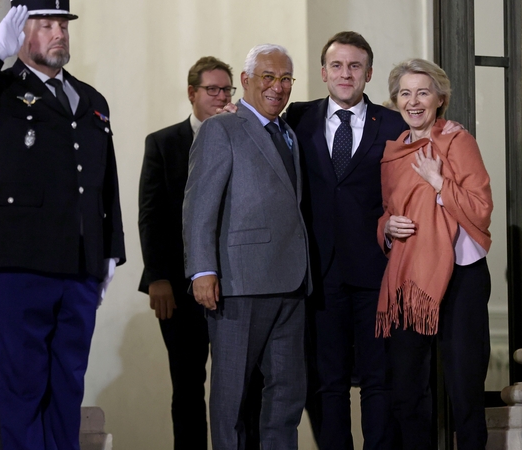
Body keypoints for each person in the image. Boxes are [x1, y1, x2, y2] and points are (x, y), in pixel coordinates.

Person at [0, 2, 125, 449]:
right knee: (21, 390)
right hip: (19, 265)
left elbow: (105, 180)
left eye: (63, 24)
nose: (59, 32)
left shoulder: (91, 99)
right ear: (21, 32)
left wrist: (111, 248)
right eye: (45, 24)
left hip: (79, 266)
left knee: (66, 388)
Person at [285, 31, 463, 449]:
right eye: (337, 65)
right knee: (327, 382)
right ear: (324, 71)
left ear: (368, 73)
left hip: (378, 270)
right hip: (319, 271)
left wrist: (447, 126)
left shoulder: (398, 124)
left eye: (354, 66)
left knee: (377, 382)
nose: (345, 74)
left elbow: (434, 142)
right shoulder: (297, 117)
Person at [183, 44, 310, 450]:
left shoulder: (289, 133)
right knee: (232, 398)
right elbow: (199, 205)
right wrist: (203, 270)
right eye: (268, 77)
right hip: (240, 283)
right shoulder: (221, 129)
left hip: (291, 285)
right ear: (245, 81)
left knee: (286, 396)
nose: (278, 87)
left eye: (286, 78)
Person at [377, 59, 492, 450]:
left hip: (461, 277)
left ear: (439, 99)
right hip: (411, 280)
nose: (413, 101)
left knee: (465, 391)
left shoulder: (458, 141)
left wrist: (439, 181)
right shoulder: (392, 154)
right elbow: (388, 213)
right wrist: (387, 230)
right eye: (405, 93)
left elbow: (481, 208)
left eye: (423, 92)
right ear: (395, 101)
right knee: (407, 391)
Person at [138, 56, 234, 450]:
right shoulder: (163, 143)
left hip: (233, 283)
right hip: (176, 286)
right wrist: (158, 277)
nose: (221, 96)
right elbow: (151, 215)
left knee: (236, 385)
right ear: (192, 93)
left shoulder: (242, 135)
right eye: (212, 89)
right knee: (188, 386)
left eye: (227, 89)